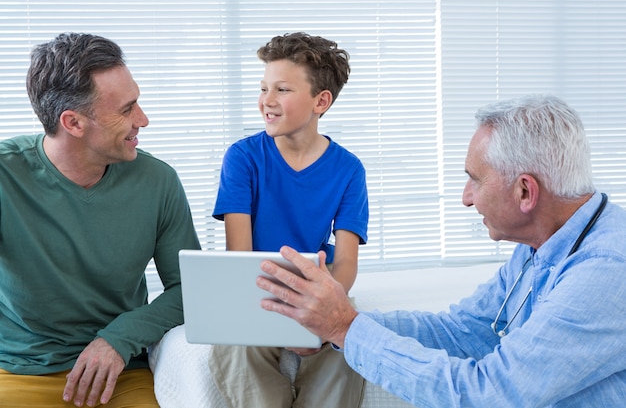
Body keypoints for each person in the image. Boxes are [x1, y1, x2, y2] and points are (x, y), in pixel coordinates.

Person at [257, 94, 626, 407]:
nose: (466, 198)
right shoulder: (544, 243)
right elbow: (464, 332)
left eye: (474, 180)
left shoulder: (606, 270)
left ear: (525, 192)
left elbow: (487, 395)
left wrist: (344, 327)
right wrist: (331, 325)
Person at [0, 32, 201, 407]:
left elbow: (191, 289)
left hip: (121, 370)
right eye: (126, 110)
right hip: (20, 371)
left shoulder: (157, 181)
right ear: (73, 122)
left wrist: (119, 338)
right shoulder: (5, 175)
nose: (143, 119)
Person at [209, 32, 369, 408]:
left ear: (321, 101)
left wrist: (317, 314)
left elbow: (345, 263)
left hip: (315, 287)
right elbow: (239, 256)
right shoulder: (243, 158)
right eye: (264, 87)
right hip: (254, 287)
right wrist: (284, 324)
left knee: (353, 341)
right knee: (235, 346)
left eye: (281, 89)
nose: (266, 100)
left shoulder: (348, 169)